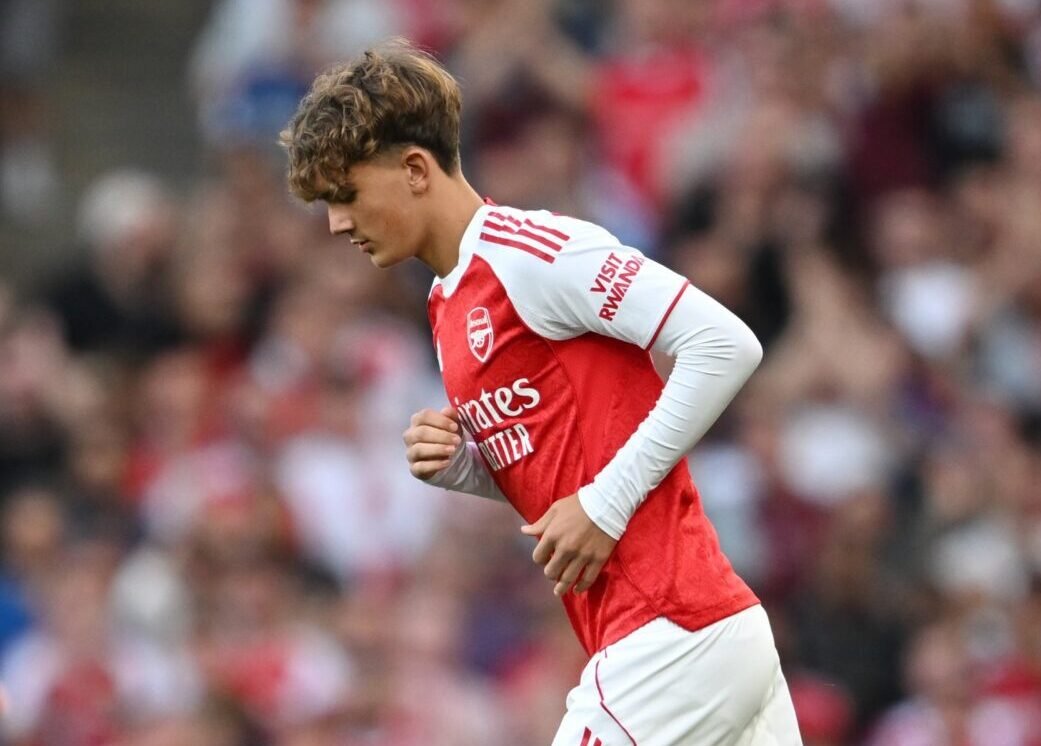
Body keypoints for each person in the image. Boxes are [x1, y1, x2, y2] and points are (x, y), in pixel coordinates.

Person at [280, 38, 803, 745]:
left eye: (345, 196)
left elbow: (724, 344)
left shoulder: (532, 254)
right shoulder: (445, 303)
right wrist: (467, 467)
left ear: (414, 169)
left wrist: (606, 503)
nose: (337, 223)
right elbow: (564, 467)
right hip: (700, 635)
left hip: (668, 636)